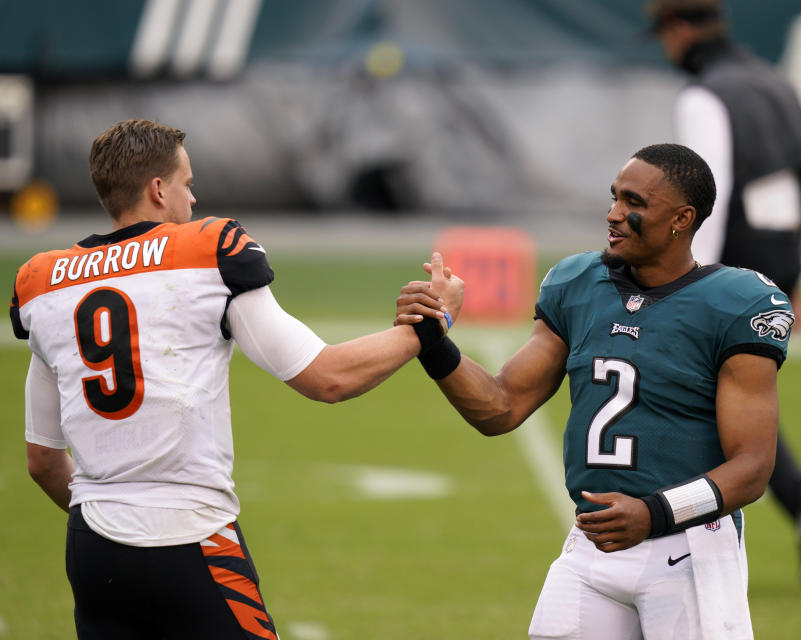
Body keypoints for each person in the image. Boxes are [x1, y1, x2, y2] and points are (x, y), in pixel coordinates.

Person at [10, 119, 463, 640]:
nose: (194, 197)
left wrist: (115, 517)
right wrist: (431, 327)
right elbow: (328, 377)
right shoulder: (206, 251)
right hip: (191, 535)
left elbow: (42, 460)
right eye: (187, 182)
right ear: (158, 189)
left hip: (91, 548)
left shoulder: (42, 283)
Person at [397, 143, 794, 639]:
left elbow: (752, 468)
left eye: (634, 203)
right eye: (614, 197)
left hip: (690, 548)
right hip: (592, 544)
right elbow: (500, 407)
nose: (613, 214)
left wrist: (654, 513)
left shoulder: (736, 303)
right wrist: (434, 343)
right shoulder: (579, 283)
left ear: (681, 218)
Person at [647, 0, 801, 581]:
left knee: (704, 400)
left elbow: (710, 188)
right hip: (778, 260)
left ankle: (722, 532)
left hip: (728, 262)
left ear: (677, 32)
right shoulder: (778, 84)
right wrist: (796, 278)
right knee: (733, 396)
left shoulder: (704, 94)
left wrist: (695, 279)